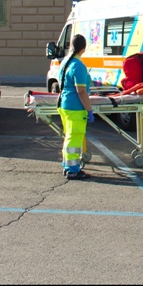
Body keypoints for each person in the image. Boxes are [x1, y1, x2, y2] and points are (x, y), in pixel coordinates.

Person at [58, 34, 94, 180]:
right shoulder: (78, 65)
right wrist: (89, 110)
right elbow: (81, 91)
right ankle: (72, 169)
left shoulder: (65, 62)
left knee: (69, 137)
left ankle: (67, 165)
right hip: (75, 107)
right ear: (83, 48)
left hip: (65, 104)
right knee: (74, 138)